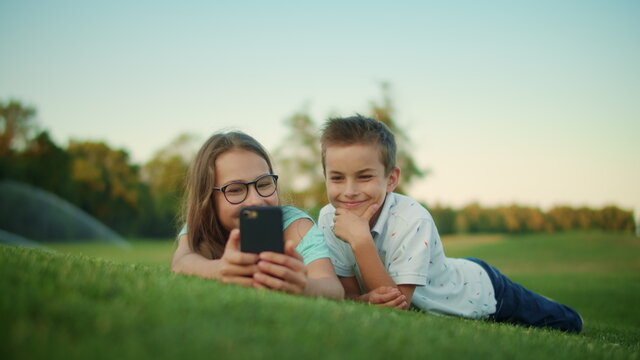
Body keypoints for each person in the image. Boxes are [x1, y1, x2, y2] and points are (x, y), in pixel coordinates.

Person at [317, 115, 582, 332]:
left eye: (364, 177)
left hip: (481, 292)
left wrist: (360, 239)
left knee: (566, 323)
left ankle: (547, 303)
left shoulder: (412, 218)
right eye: (337, 178)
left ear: (391, 179)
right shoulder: (329, 218)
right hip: (445, 275)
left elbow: (397, 305)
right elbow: (350, 295)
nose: (349, 191)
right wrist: (362, 300)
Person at [171, 131, 344, 300]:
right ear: (208, 199)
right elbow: (181, 262)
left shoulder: (294, 225)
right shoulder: (202, 223)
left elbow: (334, 288)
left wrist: (304, 286)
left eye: (263, 184)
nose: (256, 201)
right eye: (235, 189)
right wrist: (220, 269)